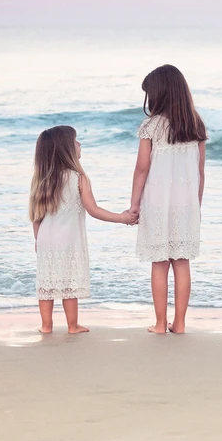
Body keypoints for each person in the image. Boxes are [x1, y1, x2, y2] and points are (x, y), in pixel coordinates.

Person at [30, 125, 137, 334]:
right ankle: (72, 325)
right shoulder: (78, 178)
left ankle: (46, 325)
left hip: (46, 241)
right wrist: (122, 218)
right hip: (69, 241)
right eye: (76, 141)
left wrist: (37, 240)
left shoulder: (42, 180)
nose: (80, 145)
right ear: (66, 149)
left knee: (47, 284)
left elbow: (36, 217)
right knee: (69, 283)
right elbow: (94, 210)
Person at [130, 64, 206, 334]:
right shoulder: (195, 124)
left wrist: (134, 204)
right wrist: (196, 203)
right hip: (186, 205)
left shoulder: (151, 126)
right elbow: (199, 171)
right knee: (182, 262)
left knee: (160, 263)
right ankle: (181, 324)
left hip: (157, 203)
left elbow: (142, 168)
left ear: (159, 94)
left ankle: (161, 324)